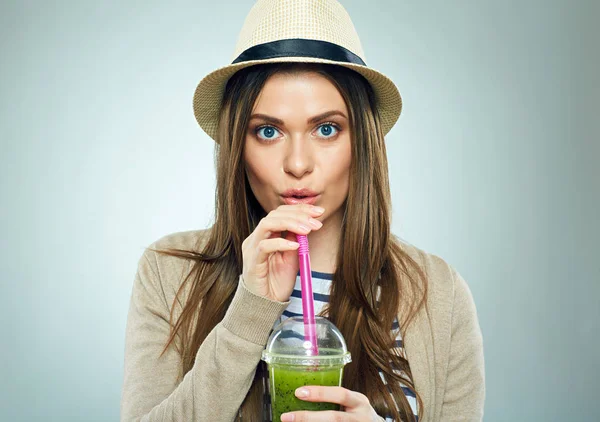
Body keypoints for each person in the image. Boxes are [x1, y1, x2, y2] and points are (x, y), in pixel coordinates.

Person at [120, 0, 485, 421]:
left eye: (326, 129)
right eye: (268, 131)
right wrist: (250, 311)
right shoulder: (169, 273)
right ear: (239, 145)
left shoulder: (439, 294)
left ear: (361, 141)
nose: (297, 164)